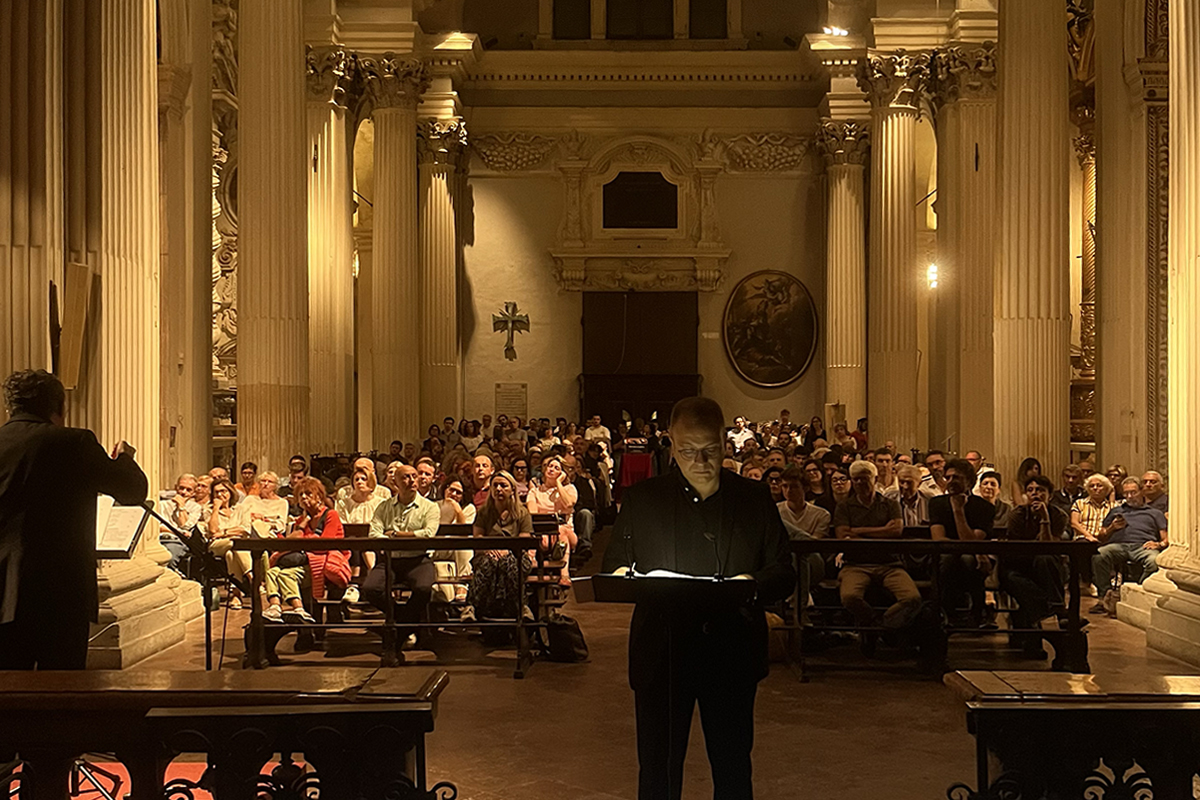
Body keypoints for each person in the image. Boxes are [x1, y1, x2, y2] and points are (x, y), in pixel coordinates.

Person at [603, 397, 793, 800]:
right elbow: (616, 564)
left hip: (731, 650)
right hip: (662, 651)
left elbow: (783, 571)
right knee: (657, 768)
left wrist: (750, 582)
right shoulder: (645, 499)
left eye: (710, 449)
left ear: (726, 444)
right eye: (688, 450)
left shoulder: (753, 499)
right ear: (671, 445)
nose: (700, 461)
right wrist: (627, 578)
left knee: (732, 764)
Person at [0, 370, 148, 669]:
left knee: (8, 691)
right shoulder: (74, 442)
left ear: (10, 408)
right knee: (63, 689)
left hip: (2, 591)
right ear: (60, 408)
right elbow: (133, 491)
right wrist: (124, 459)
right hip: (61, 591)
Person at [834, 460, 920, 631]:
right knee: (849, 597)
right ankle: (873, 622)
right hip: (856, 564)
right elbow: (843, 535)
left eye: (864, 479)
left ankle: (885, 623)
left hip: (889, 564)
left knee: (912, 598)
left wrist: (858, 531)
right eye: (856, 479)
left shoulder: (889, 504)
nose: (860, 483)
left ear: (874, 479)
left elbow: (895, 530)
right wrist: (881, 531)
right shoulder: (844, 506)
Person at [366, 463, 440, 661]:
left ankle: (394, 634)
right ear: (396, 482)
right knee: (370, 589)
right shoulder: (384, 506)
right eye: (405, 477)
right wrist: (391, 541)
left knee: (424, 589)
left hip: (417, 559)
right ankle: (402, 620)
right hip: (390, 559)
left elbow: (428, 534)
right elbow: (374, 532)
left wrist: (397, 535)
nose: (412, 481)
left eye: (414, 476)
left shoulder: (429, 507)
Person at [998, 474, 1069, 659]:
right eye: (1030, 490)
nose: (1035, 494)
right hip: (1018, 568)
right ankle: (1054, 610)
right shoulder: (1017, 515)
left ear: (1049, 495)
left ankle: (1036, 637)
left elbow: (1048, 547)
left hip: (1044, 568)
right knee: (1021, 581)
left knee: (1044, 559)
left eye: (1040, 490)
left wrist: (1044, 519)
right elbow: (1018, 550)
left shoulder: (1058, 515)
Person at [264, 477, 349, 624]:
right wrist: (303, 525)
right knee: (271, 572)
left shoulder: (330, 515)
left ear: (319, 496)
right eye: (300, 494)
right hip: (306, 562)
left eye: (308, 493)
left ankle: (299, 609)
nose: (303, 497)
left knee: (286, 574)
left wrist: (301, 541)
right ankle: (275, 606)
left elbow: (324, 545)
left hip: (324, 563)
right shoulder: (302, 520)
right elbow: (291, 541)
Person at [929, 459, 995, 626]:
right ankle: (947, 614)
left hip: (975, 557)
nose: (950, 482)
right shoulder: (937, 503)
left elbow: (972, 542)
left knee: (967, 559)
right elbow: (938, 539)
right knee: (950, 558)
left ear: (969, 481)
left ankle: (976, 612)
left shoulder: (984, 507)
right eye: (948, 478)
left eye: (956, 478)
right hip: (948, 555)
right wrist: (973, 549)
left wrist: (958, 511)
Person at [463, 471, 534, 623]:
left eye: (503, 485)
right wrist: (489, 549)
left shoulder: (522, 513)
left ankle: (521, 607)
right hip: (487, 554)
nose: (499, 489)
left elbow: (524, 540)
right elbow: (478, 537)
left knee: (507, 563)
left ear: (512, 490)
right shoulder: (484, 512)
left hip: (517, 555)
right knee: (489, 563)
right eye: (495, 485)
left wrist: (507, 549)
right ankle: (471, 607)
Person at [1091, 476, 1169, 610]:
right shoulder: (1116, 511)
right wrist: (1112, 528)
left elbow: (1165, 538)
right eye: (1126, 493)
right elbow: (1101, 536)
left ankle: (1135, 593)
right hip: (1119, 545)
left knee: (1154, 560)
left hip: (1143, 546)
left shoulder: (1154, 513)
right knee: (1099, 555)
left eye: (1133, 492)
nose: (1129, 496)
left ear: (1141, 491)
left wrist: (1159, 544)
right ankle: (1104, 596)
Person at [526, 454, 578, 586]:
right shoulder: (535, 492)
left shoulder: (569, 489)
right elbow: (532, 513)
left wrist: (558, 483)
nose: (551, 469)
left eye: (556, 468)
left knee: (561, 530)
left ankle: (564, 574)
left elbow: (568, 504)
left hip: (566, 534)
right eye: (550, 466)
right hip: (542, 534)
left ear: (562, 472)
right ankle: (527, 565)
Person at [158, 473, 203, 572]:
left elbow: (185, 526)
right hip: (160, 539)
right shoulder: (162, 505)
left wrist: (181, 507)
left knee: (168, 558)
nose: (183, 492)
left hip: (178, 541)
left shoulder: (196, 507)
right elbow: (158, 527)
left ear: (194, 493)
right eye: (181, 488)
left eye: (188, 490)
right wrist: (178, 531)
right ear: (176, 488)